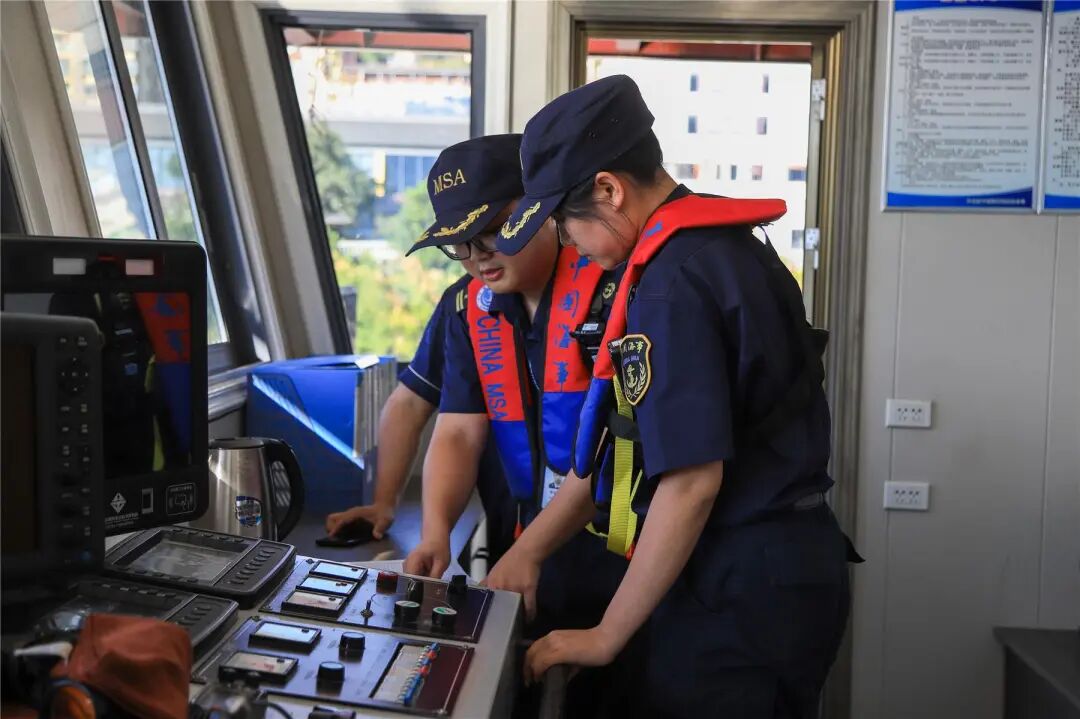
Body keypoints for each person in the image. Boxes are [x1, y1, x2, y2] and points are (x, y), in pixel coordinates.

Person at [486, 75, 860, 719]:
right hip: (767, 565)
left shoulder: (671, 285)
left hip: (743, 579)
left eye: (565, 223)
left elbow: (690, 483)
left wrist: (605, 636)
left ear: (609, 190)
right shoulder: (716, 249)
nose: (568, 243)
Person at [401, 134, 631, 715]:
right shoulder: (468, 308)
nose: (479, 255)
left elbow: (611, 450)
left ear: (541, 211)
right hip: (523, 558)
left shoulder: (615, 295)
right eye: (460, 244)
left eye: (495, 231)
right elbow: (458, 430)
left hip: (621, 562)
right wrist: (435, 533)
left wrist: (532, 550)